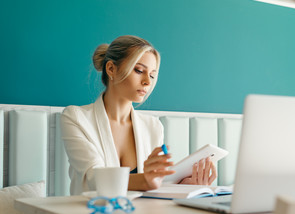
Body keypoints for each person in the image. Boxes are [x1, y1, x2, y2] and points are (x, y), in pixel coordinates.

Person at [61, 35, 217, 195]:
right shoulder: (75, 118)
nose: (147, 82)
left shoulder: (153, 126)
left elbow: (154, 185)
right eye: (139, 70)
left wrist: (186, 184)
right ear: (111, 69)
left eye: (152, 75)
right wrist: (146, 180)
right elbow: (94, 179)